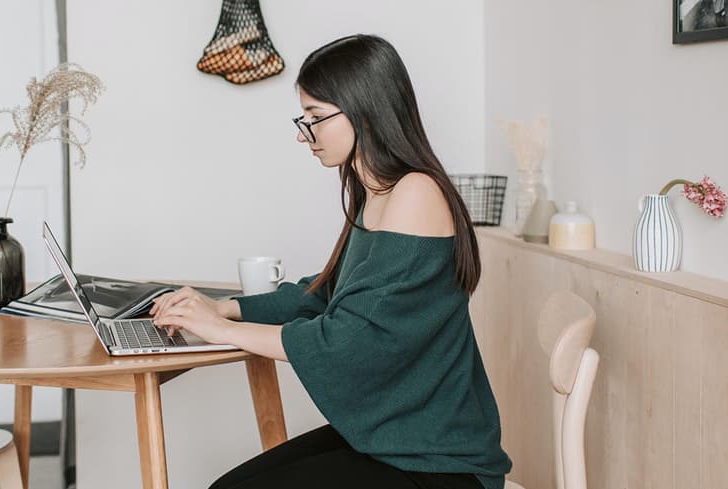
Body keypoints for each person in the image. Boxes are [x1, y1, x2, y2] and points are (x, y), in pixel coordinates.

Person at [151, 34, 512, 489]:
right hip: (395, 439)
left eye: (317, 118)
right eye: (304, 119)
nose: (305, 134)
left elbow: (346, 341)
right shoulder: (378, 192)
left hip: (440, 463)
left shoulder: (415, 194)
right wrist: (225, 306)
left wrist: (221, 330)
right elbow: (326, 294)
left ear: (364, 109)